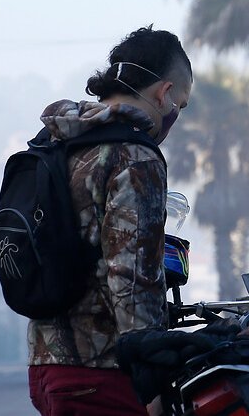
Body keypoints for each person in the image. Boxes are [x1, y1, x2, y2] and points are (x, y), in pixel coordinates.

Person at [27, 26, 193, 415]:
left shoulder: (55, 139)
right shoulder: (135, 156)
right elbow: (134, 280)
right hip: (105, 374)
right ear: (164, 93)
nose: (175, 116)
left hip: (46, 365)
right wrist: (152, 383)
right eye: (181, 106)